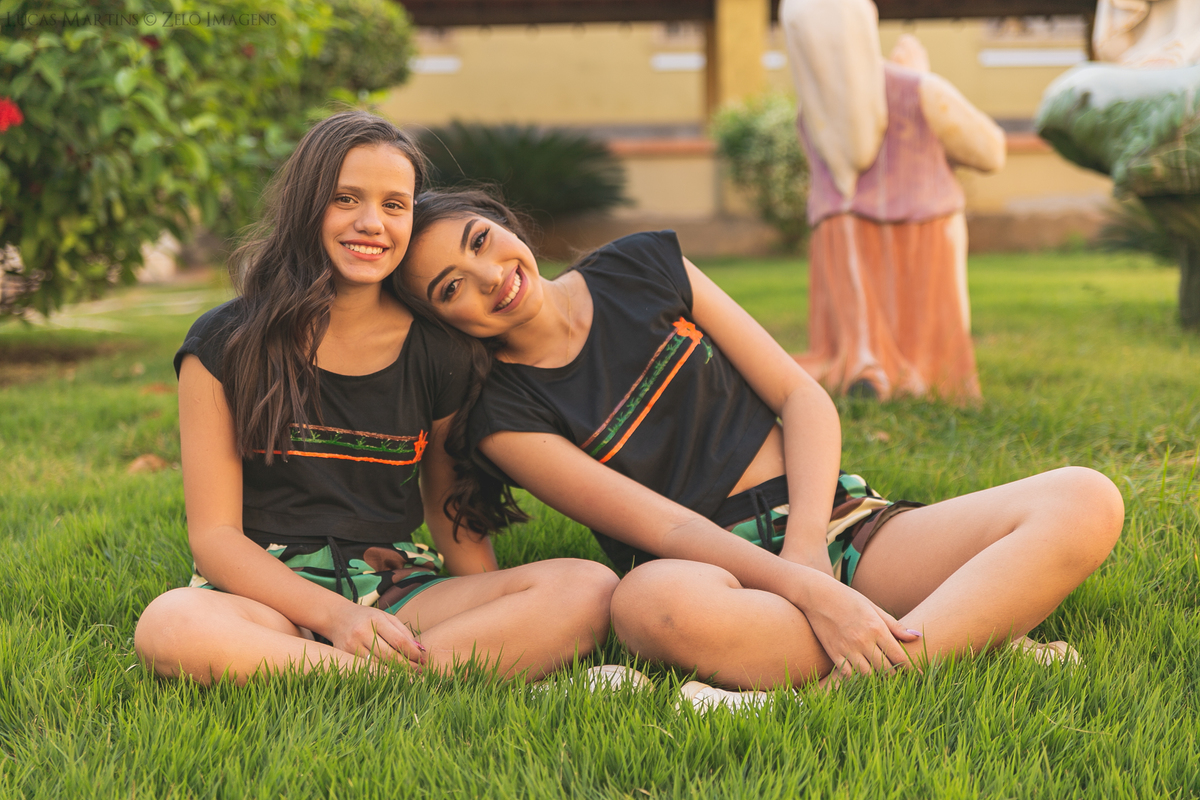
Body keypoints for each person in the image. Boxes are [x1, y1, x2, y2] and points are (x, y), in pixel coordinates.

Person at [395, 189, 1125, 693]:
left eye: (482, 242)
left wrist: (808, 550)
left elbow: (799, 396)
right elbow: (667, 525)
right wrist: (800, 588)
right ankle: (961, 635)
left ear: (503, 223)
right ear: (444, 323)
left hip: (836, 525)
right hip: (713, 578)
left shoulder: (644, 266)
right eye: (453, 288)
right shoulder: (504, 417)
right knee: (646, 606)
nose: (492, 277)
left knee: (1084, 498)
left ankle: (848, 679)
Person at [134, 113, 617, 685]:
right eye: (346, 198)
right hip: (266, 596)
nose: (372, 224)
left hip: (396, 589)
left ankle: (349, 677)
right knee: (170, 624)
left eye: (395, 205)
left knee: (588, 588)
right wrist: (337, 617)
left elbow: (447, 507)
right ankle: (405, 677)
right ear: (307, 206)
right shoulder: (223, 343)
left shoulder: (439, 351)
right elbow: (214, 537)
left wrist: (497, 602)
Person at [781, 0, 1006, 402]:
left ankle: (863, 368)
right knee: (931, 354)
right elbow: (991, 152)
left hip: (840, 245)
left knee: (849, 346)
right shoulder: (919, 90)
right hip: (923, 238)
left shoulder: (808, 116)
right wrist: (922, 75)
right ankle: (918, 376)